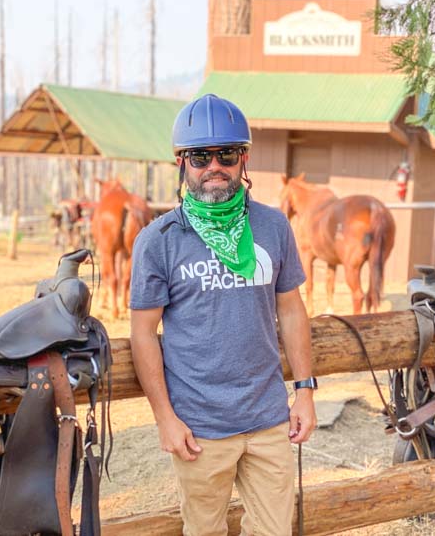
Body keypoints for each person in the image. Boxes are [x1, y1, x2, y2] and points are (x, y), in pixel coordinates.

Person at [129, 93, 317, 536]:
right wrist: (165, 418)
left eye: (226, 154)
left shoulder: (273, 227)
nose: (214, 165)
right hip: (199, 428)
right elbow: (142, 333)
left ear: (243, 159)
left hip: (269, 419)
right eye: (200, 156)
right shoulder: (159, 240)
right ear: (181, 162)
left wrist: (305, 390)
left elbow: (291, 310)